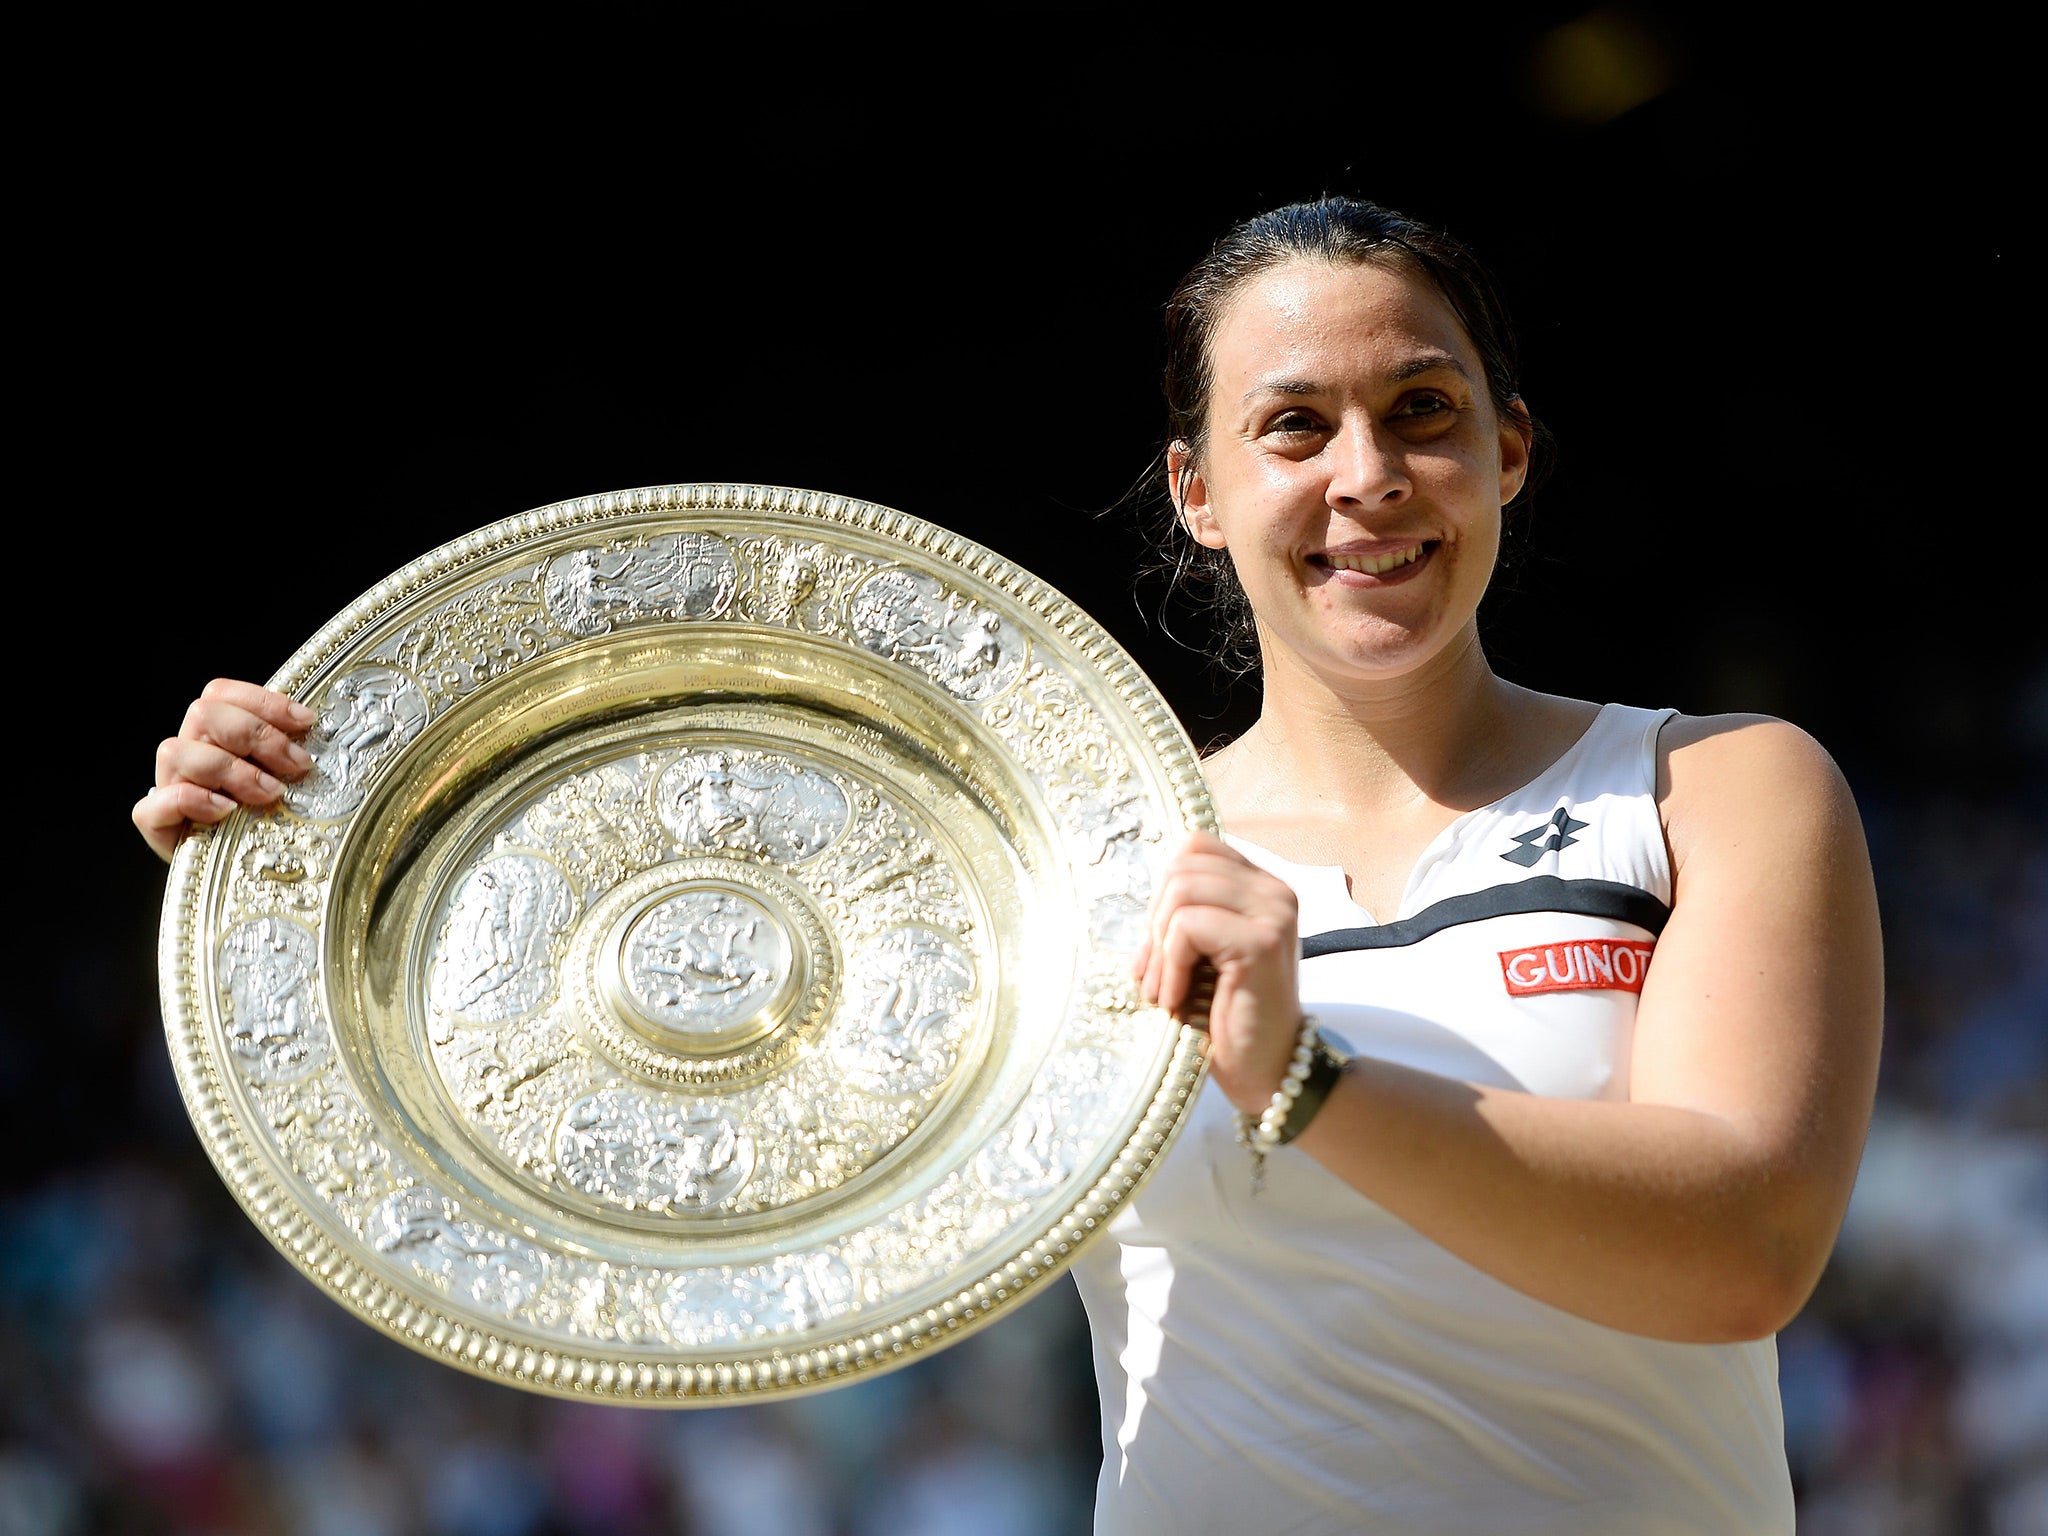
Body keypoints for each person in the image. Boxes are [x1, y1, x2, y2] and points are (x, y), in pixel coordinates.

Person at [134, 196, 1884, 1534]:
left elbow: (1741, 1251)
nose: (1369, 477)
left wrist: (1304, 1080)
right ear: (1198, 491)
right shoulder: (1059, 866)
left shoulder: (1714, 787)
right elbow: (690, 1128)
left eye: (1423, 410)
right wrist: (306, 852)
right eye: (1295, 427)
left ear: (1507, 450)